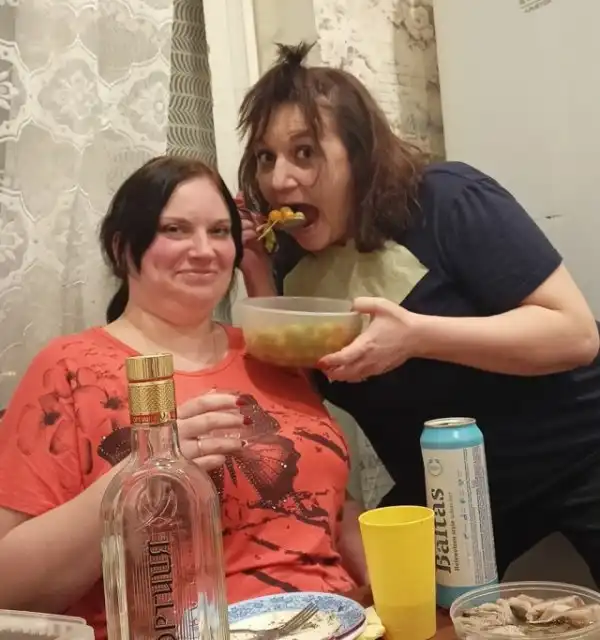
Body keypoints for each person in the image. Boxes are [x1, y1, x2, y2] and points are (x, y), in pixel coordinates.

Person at [237, 43, 600, 584]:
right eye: (266, 158)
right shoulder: (290, 260)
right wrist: (256, 274)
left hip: (582, 450)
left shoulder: (444, 200)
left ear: (359, 154)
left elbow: (575, 335)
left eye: (304, 152)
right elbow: (300, 398)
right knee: (387, 604)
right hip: (447, 490)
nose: (278, 180)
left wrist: (417, 337)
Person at [0, 156, 366, 640]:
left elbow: (331, 505)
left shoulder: (267, 350)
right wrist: (144, 474)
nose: (204, 250)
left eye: (219, 232)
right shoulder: (69, 369)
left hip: (343, 623)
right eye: (175, 229)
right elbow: (9, 589)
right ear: (122, 247)